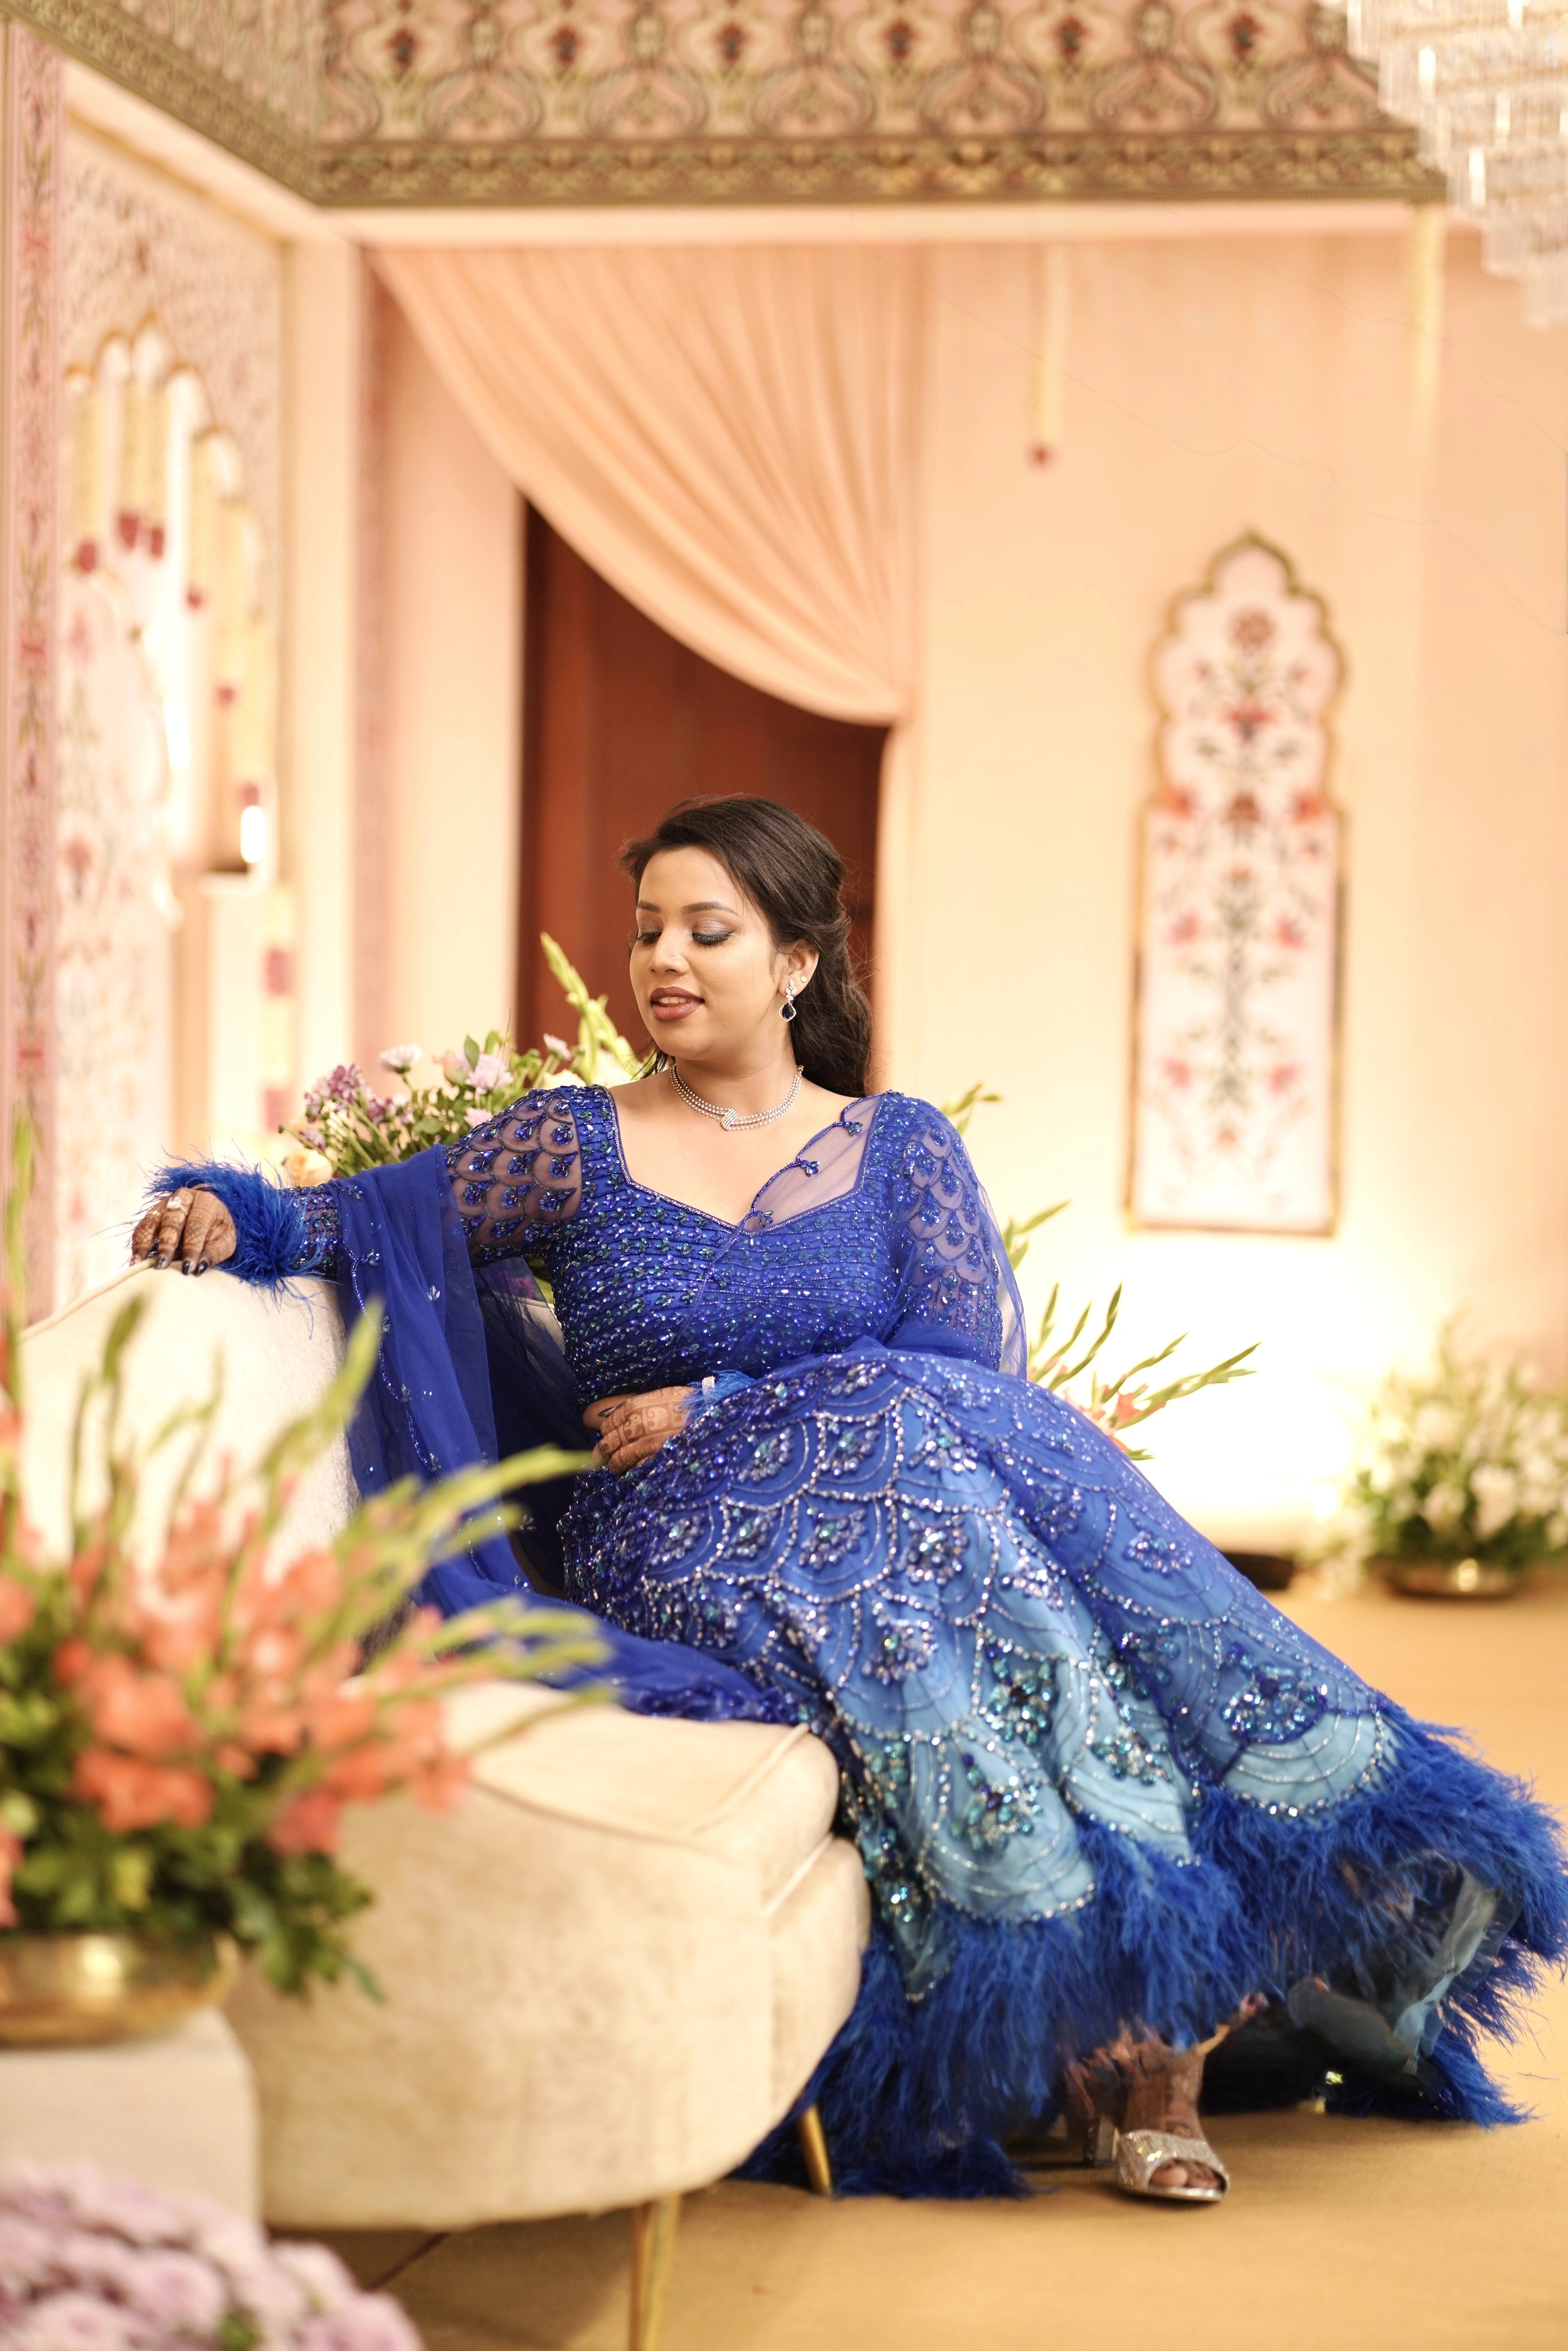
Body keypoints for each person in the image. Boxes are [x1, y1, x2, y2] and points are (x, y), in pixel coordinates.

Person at [134, 795, 1566, 2205]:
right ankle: (1118, 2017)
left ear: (799, 963)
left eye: (709, 930)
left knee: (921, 1465)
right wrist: (239, 1216)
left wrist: (729, 1397)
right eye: (648, 933)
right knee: (910, 1482)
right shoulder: (573, 1142)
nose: (663, 963)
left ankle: (1141, 2003)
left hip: (889, 1494)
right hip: (678, 1535)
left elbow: (958, 1372)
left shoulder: (901, 1150)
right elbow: (381, 1219)